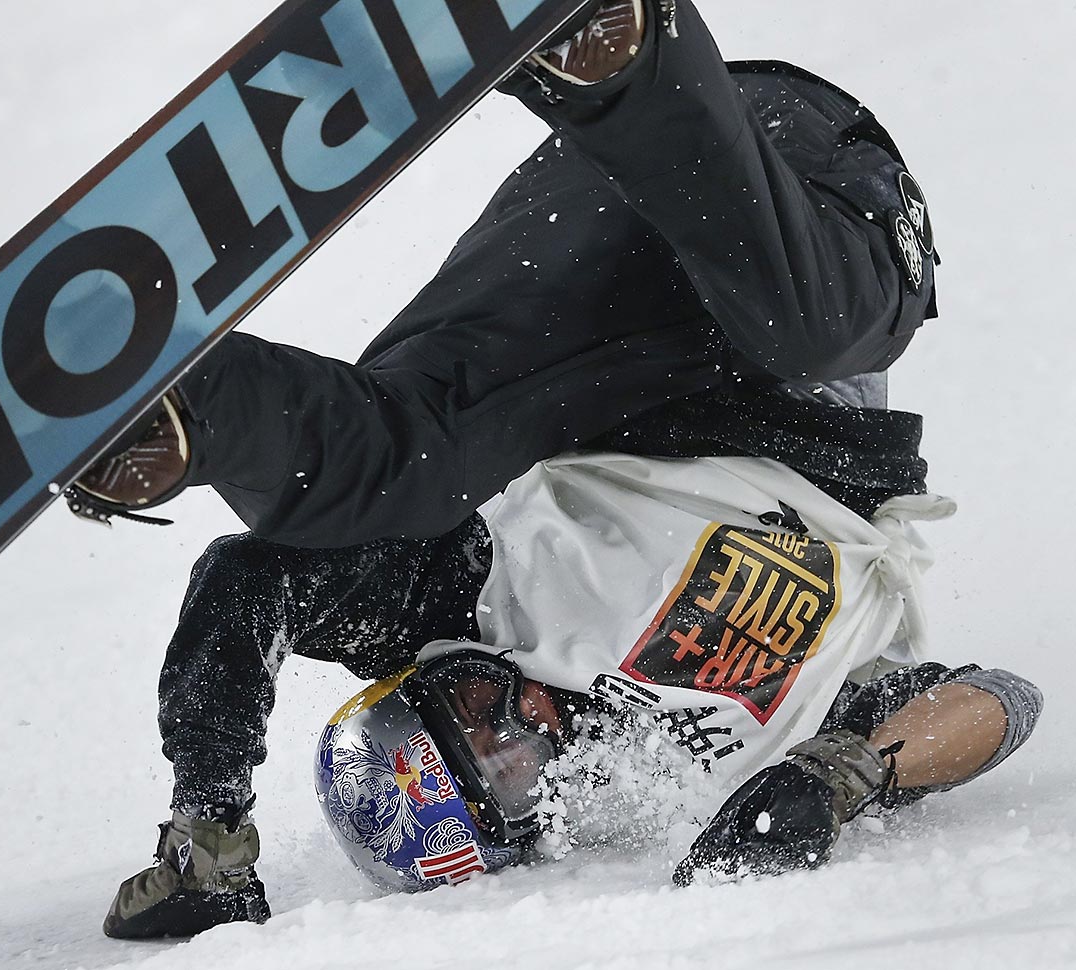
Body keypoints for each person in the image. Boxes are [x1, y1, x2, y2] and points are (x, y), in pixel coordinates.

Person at [88, 0, 999, 939]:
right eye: (503, 774)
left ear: (440, 676)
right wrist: (840, 776)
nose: (515, 726)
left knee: (407, 467)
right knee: (804, 328)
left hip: (609, 250)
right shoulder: (752, 747)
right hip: (782, 251)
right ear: (523, 824)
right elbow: (997, 703)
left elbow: (249, 582)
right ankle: (623, 71)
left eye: (471, 706)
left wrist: (211, 820)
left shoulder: (466, 604)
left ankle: (180, 406)